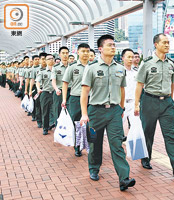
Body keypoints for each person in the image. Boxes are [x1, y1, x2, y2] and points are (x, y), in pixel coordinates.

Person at [80, 34, 135, 191]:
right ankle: (94, 169)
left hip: (114, 113)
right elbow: (84, 93)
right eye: (110, 45)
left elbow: (122, 90)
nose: (113, 47)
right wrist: (84, 114)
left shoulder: (120, 69)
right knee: (95, 143)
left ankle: (124, 178)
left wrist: (121, 108)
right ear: (100, 49)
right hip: (95, 112)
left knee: (117, 144)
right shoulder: (91, 68)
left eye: (114, 44)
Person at [134, 33, 174, 178]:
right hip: (149, 101)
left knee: (170, 134)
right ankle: (145, 158)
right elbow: (139, 84)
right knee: (148, 132)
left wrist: (171, 99)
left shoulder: (171, 63)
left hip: (166, 103)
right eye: (164, 42)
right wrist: (136, 104)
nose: (167, 45)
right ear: (156, 44)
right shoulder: (146, 63)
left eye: (168, 43)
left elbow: (172, 84)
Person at [62, 43, 90, 157]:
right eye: (83, 51)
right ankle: (77, 146)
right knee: (77, 124)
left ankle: (91, 147)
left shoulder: (93, 66)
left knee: (91, 124)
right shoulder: (72, 67)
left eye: (87, 51)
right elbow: (65, 83)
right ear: (78, 52)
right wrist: (64, 99)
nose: (85, 53)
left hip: (91, 99)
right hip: (75, 98)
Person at [36, 54, 55, 135]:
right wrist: (38, 88)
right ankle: (45, 128)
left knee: (55, 111)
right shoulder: (42, 71)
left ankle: (54, 125)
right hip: (45, 93)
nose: (51, 60)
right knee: (45, 112)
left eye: (52, 58)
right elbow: (37, 81)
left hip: (55, 93)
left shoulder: (57, 70)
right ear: (46, 61)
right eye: (48, 59)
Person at [51, 46, 69, 125]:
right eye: (63, 53)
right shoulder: (55, 67)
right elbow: (53, 81)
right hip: (59, 92)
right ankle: (58, 130)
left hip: (70, 92)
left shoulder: (72, 66)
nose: (65, 55)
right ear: (59, 55)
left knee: (70, 112)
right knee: (58, 112)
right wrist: (56, 89)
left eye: (66, 53)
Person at [121, 49, 138, 133]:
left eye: (132, 57)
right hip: (121, 104)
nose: (131, 59)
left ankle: (131, 144)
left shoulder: (136, 73)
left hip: (133, 104)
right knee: (117, 128)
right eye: (129, 57)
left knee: (136, 128)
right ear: (123, 58)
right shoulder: (118, 71)